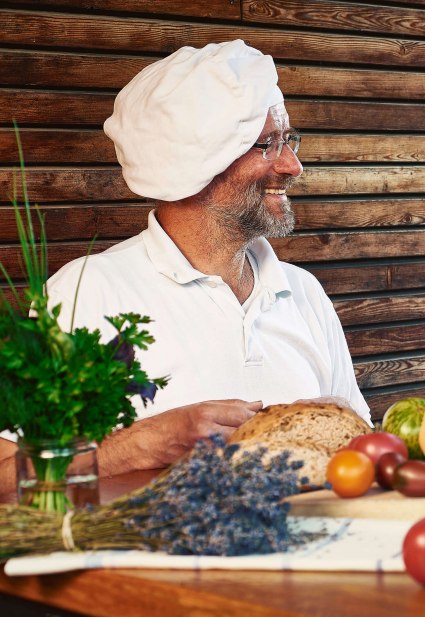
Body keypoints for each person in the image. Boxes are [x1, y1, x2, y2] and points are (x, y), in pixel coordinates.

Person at [0, 40, 369, 486]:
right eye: (266, 145)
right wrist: (136, 445)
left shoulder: (303, 291)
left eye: (288, 140)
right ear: (194, 162)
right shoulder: (87, 292)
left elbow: (366, 447)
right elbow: (7, 476)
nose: (293, 165)